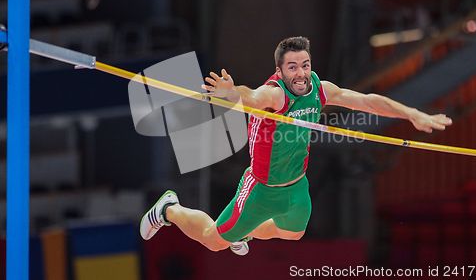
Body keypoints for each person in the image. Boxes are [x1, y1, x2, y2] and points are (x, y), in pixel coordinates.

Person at [140, 36, 452, 255]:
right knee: (213, 241)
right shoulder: (275, 94)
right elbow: (252, 96)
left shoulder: (319, 87)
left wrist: (411, 114)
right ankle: (170, 209)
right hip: (261, 188)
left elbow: (367, 102)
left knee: (292, 233)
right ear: (279, 71)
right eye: (293, 67)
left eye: (305, 65)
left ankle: (244, 233)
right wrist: (232, 93)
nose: (301, 73)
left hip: (296, 186)